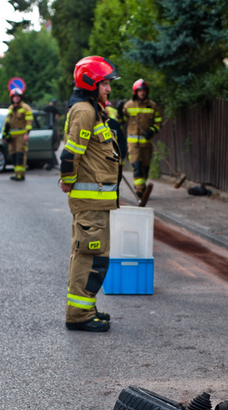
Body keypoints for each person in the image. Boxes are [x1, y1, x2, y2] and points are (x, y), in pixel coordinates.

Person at [59, 56, 122, 332]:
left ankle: (85, 307)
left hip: (96, 201)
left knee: (92, 255)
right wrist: (68, 182)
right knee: (90, 255)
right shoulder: (85, 111)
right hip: (90, 201)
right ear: (90, 83)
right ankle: (79, 315)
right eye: (105, 83)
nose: (108, 89)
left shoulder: (92, 109)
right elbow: (71, 154)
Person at [122, 79, 161, 201]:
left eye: (144, 90)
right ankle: (139, 190)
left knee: (145, 168)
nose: (142, 93)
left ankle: (141, 186)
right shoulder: (128, 105)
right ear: (135, 92)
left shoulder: (152, 106)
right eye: (140, 91)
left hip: (147, 143)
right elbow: (121, 119)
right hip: (133, 143)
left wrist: (152, 130)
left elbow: (158, 122)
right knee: (137, 165)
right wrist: (119, 110)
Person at [5, 88, 33, 181]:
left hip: (21, 135)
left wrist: (26, 133)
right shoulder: (10, 108)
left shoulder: (25, 108)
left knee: (20, 155)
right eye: (14, 97)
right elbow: (7, 123)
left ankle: (21, 174)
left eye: (18, 97)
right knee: (12, 155)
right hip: (12, 136)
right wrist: (4, 134)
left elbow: (29, 121)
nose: (16, 98)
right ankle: (16, 173)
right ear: (11, 98)